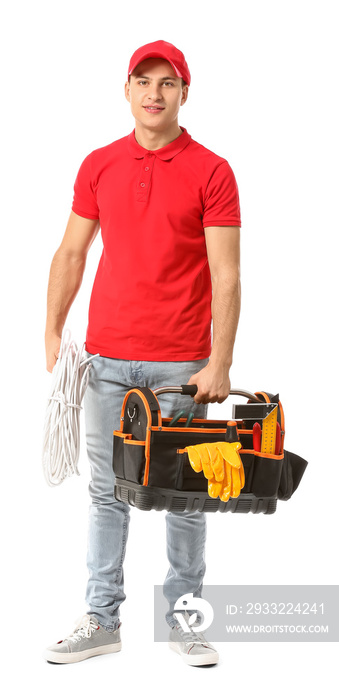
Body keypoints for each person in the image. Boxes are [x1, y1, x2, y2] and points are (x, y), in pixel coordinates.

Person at [44, 40, 241, 666]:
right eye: (143, 80)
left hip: (182, 368)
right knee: (106, 495)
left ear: (185, 94)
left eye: (168, 82)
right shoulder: (99, 164)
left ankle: (184, 621)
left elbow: (227, 274)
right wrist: (51, 330)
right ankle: (102, 620)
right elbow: (72, 252)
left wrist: (220, 362)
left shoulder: (213, 170)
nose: (155, 93)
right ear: (126, 90)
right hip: (104, 363)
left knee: (182, 496)